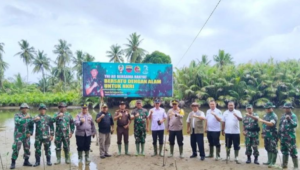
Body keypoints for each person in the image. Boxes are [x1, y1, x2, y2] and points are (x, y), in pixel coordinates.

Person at [10, 103, 34, 169]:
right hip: (18, 135)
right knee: (16, 148)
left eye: (26, 108)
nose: (25, 109)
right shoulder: (17, 115)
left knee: (27, 148)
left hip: (26, 135)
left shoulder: (29, 116)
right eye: (23, 108)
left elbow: (31, 125)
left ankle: (26, 161)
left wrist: (31, 133)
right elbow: (17, 122)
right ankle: (13, 163)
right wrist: (24, 118)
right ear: (21, 109)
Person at [258, 102, 279, 168]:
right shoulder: (265, 115)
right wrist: (262, 133)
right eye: (267, 108)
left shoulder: (274, 115)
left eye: (269, 108)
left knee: (273, 148)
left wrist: (262, 121)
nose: (268, 110)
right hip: (266, 134)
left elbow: (271, 124)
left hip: (273, 135)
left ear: (272, 108)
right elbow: (264, 125)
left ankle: (273, 162)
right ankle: (269, 161)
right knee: (267, 147)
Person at [278, 103, 298, 169]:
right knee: (284, 151)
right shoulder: (283, 116)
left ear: (290, 108)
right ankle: (284, 165)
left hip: (290, 138)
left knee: (293, 152)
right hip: (283, 137)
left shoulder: (293, 116)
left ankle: (295, 166)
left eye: (287, 108)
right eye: (285, 108)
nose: (286, 109)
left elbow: (295, 125)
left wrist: (289, 119)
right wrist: (278, 135)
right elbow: (280, 126)